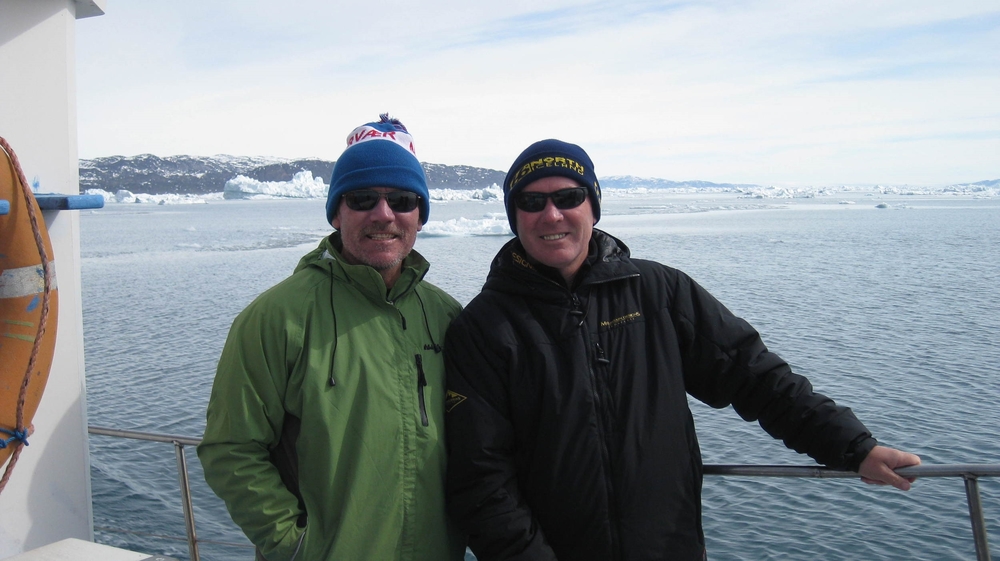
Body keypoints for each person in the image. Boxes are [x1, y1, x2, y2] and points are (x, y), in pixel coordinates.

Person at [443, 139, 921, 561]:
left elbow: (755, 376)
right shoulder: (485, 328)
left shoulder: (658, 292)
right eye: (532, 202)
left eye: (569, 197)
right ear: (514, 215)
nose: (552, 215)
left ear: (593, 207)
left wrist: (851, 446)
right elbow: (482, 479)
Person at [197, 114, 466, 561]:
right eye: (363, 198)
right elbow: (231, 448)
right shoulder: (276, 318)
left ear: (419, 213)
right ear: (338, 211)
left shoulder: (446, 316)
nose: (384, 214)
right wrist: (298, 547)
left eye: (401, 199)